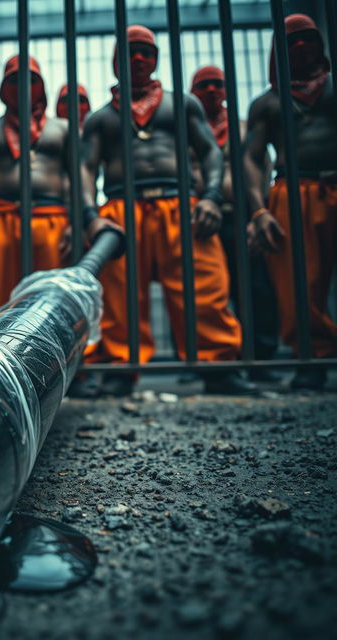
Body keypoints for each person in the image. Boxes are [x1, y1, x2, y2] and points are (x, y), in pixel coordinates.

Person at [79, 25, 253, 398]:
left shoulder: (182, 104)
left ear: (156, 59)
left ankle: (218, 364)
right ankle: (121, 369)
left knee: (204, 286)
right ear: (115, 60)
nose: (139, 58)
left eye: (146, 51)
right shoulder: (101, 118)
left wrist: (209, 196)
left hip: (182, 205)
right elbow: (84, 170)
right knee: (121, 294)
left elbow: (210, 152)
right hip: (121, 209)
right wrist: (91, 216)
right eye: (131, 51)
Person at [0, 55, 113, 318]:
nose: (23, 86)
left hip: (52, 221)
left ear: (42, 86)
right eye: (14, 80)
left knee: (52, 298)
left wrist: (76, 223)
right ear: (3, 88)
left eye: (31, 80)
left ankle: (51, 357)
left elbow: (79, 178)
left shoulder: (63, 128)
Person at [245, 13, 337, 390]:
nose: (300, 46)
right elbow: (250, 159)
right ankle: (311, 358)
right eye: (291, 42)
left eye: (308, 39)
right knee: (298, 282)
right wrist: (259, 210)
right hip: (291, 192)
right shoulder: (267, 103)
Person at [190, 65, 280, 382]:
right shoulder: (186, 129)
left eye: (217, 84)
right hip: (200, 218)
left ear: (227, 90)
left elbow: (263, 167)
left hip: (241, 216)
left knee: (254, 286)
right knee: (203, 290)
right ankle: (196, 359)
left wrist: (258, 214)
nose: (212, 90)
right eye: (204, 86)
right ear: (192, 91)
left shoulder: (242, 128)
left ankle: (260, 358)